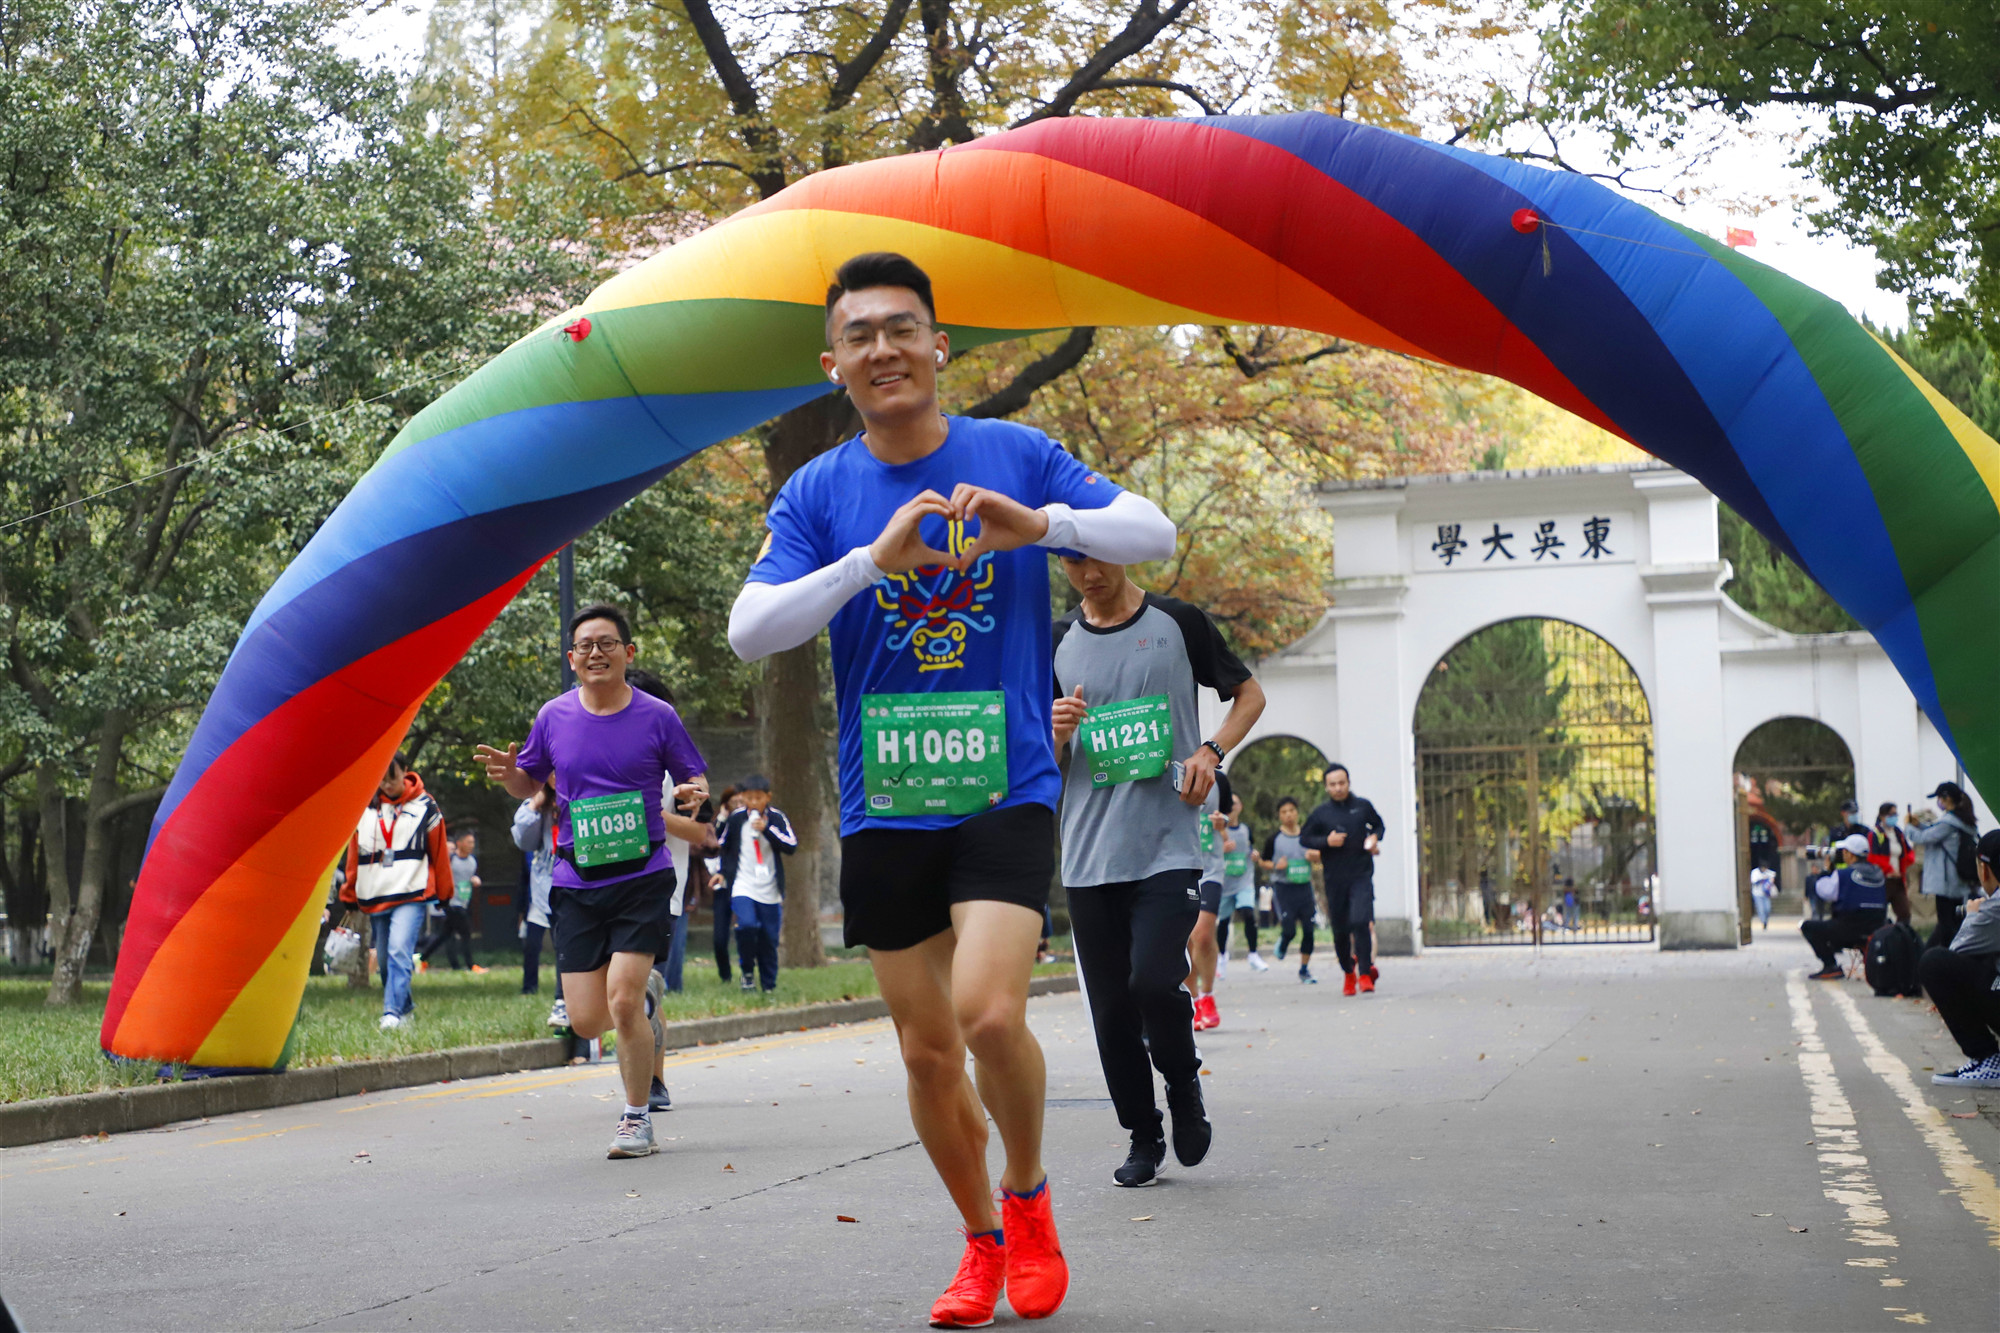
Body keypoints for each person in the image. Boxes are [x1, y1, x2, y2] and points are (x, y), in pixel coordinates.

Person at [727, 252, 1175, 1327]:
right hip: (885, 801)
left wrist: (1044, 524)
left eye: (902, 328)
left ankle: (1027, 1197)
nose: (883, 348)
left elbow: (1154, 533)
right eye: (859, 335)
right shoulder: (817, 491)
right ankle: (979, 1239)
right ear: (832, 364)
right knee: (928, 1053)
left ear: (939, 345)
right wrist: (868, 563)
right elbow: (751, 629)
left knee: (987, 1014)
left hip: (1004, 787)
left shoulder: (1014, 454)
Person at [1050, 551, 1263, 1185]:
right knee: (1111, 1010)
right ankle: (1143, 1135)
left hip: (1168, 845)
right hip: (1088, 855)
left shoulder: (1178, 622)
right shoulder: (1054, 641)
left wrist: (1211, 750)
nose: (1089, 573)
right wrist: (1054, 735)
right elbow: (1034, 760)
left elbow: (1249, 695)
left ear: (1122, 550)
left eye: (1098, 559)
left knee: (1151, 981)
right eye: (1073, 562)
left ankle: (1183, 1085)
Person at [475, 603, 708, 1159]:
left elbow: (694, 774)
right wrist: (511, 778)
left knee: (620, 1001)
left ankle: (636, 1118)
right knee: (585, 1020)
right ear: (572, 658)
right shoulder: (553, 716)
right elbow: (529, 780)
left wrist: (692, 791)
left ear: (628, 653)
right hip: (576, 880)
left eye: (606, 643)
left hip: (642, 875)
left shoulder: (657, 716)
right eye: (585, 645)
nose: (595, 653)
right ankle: (643, 1004)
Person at [339, 754, 452, 1029]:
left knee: (399, 951)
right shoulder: (365, 809)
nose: (387, 785)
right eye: (382, 779)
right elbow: (353, 856)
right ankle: (406, 1009)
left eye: (392, 777)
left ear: (405, 771)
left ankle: (391, 1013)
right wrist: (349, 895)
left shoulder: (425, 806)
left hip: (412, 892)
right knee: (385, 959)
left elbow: (439, 852)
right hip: (377, 893)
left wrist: (445, 893)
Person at [1919, 829, 2000, 1087]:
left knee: (1934, 963)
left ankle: (1987, 1059)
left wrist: (1974, 915)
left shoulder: (1995, 909)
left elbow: (1954, 955)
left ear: (1984, 870)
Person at [1299, 764, 1386, 995]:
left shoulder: (1362, 806)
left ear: (1348, 783)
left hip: (1361, 875)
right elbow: (1305, 838)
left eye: (1341, 783)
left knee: (1360, 921)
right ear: (1326, 787)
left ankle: (1365, 973)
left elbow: (1379, 825)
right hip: (1334, 878)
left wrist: (1374, 837)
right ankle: (1349, 973)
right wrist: (1326, 842)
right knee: (1340, 930)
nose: (1338, 788)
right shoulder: (1321, 813)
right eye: (1333, 784)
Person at [716, 774, 798, 993]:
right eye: (749, 798)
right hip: (743, 884)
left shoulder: (777, 818)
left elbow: (791, 845)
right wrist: (722, 872)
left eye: (758, 798)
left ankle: (768, 986)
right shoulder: (736, 819)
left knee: (769, 939)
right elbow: (721, 844)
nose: (753, 802)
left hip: (770, 887)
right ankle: (747, 973)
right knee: (747, 925)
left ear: (768, 797)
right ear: (743, 797)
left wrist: (767, 829)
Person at [1185, 771, 1237, 1031]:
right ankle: (1192, 1001)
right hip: (1177, 868)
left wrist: (1222, 822)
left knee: (1203, 934)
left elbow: (1228, 815)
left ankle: (1207, 995)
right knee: (1183, 939)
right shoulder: (1166, 768)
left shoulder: (1218, 779)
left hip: (1211, 871)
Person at [1802, 833, 1889, 979]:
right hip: (1877, 929)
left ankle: (1831, 966)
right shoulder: (1879, 873)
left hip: (1848, 930)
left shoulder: (1844, 874)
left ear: (1850, 854)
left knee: (1808, 927)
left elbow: (1823, 891)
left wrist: (1826, 870)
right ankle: (1871, 962)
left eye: (1844, 851)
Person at [1911, 782, 1979, 949]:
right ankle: (1932, 953)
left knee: (1946, 924)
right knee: (1953, 922)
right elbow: (1933, 830)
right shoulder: (1963, 820)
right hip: (1960, 881)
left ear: (1947, 798)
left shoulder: (1949, 822)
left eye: (1939, 798)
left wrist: (1908, 827)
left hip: (1946, 882)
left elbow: (1923, 838)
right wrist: (1918, 825)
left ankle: (1946, 955)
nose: (1938, 802)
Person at [1259, 797, 1318, 981]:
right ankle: (1284, 941)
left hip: (1304, 886)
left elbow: (1320, 855)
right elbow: (1263, 862)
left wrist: (1314, 856)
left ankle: (1304, 969)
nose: (1288, 815)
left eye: (1291, 810)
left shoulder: (1307, 836)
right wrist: (1277, 865)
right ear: (1279, 816)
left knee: (1309, 929)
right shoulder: (1274, 839)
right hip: (1283, 888)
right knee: (1289, 928)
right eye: (1284, 812)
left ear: (1297, 812)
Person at [512, 781, 559, 1007]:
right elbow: (523, 843)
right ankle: (529, 987)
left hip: (570, 890)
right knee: (532, 946)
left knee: (566, 947)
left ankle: (564, 996)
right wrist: (535, 804)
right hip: (539, 895)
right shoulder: (538, 811)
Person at [1215, 793, 1267, 972]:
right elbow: (1208, 852)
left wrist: (1255, 855)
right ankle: (1222, 956)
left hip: (1244, 880)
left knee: (1248, 913)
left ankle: (1253, 954)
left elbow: (1250, 848)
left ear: (1240, 806)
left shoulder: (1246, 830)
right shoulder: (1218, 829)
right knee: (1223, 921)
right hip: (1224, 882)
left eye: (1234, 803)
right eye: (1228, 803)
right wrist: (1221, 849)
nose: (1231, 806)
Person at [417, 831, 483, 973]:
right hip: (452, 903)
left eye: (473, 842)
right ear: (460, 843)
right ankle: (471, 965)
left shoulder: (472, 861)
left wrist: (474, 880)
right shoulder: (451, 860)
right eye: (469, 842)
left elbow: (469, 877)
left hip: (463, 901)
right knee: (465, 933)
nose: (472, 845)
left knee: (444, 935)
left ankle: (421, 958)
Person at [707, 787, 741, 981]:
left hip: (744, 884)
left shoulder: (748, 824)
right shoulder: (720, 823)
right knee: (719, 938)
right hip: (723, 885)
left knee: (746, 929)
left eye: (741, 802)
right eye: (734, 802)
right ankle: (725, 975)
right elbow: (713, 843)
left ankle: (748, 972)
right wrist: (722, 817)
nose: (738, 806)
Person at [1869, 801, 1915, 925]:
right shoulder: (1876, 834)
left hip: (1898, 880)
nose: (1894, 817)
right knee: (1880, 914)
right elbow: (1873, 858)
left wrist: (1906, 863)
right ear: (1882, 816)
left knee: (1905, 913)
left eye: (1895, 814)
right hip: (1883, 880)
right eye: (1891, 814)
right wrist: (1889, 870)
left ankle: (1900, 934)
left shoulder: (1898, 833)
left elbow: (1908, 852)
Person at [1749, 865, 1776, 930]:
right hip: (1757, 893)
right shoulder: (1755, 872)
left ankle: (1766, 920)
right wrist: (1762, 879)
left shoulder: (1768, 872)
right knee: (1761, 909)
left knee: (1767, 908)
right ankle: (1763, 921)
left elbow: (1773, 876)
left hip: (1766, 894)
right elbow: (1754, 882)